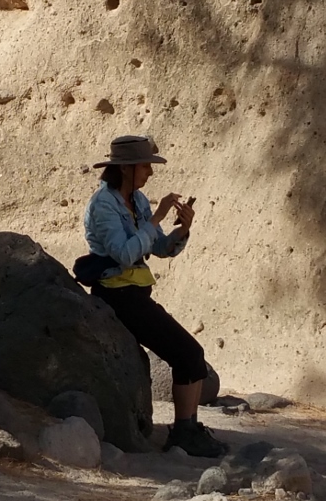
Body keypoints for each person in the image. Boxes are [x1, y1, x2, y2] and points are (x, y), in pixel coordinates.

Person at [84, 135, 227, 458]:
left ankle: (186, 429)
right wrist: (157, 218)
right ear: (127, 169)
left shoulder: (138, 201)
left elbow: (159, 248)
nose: (150, 172)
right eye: (146, 166)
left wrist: (182, 230)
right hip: (117, 296)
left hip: (136, 293)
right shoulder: (103, 205)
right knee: (189, 353)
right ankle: (184, 432)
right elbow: (123, 253)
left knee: (189, 354)